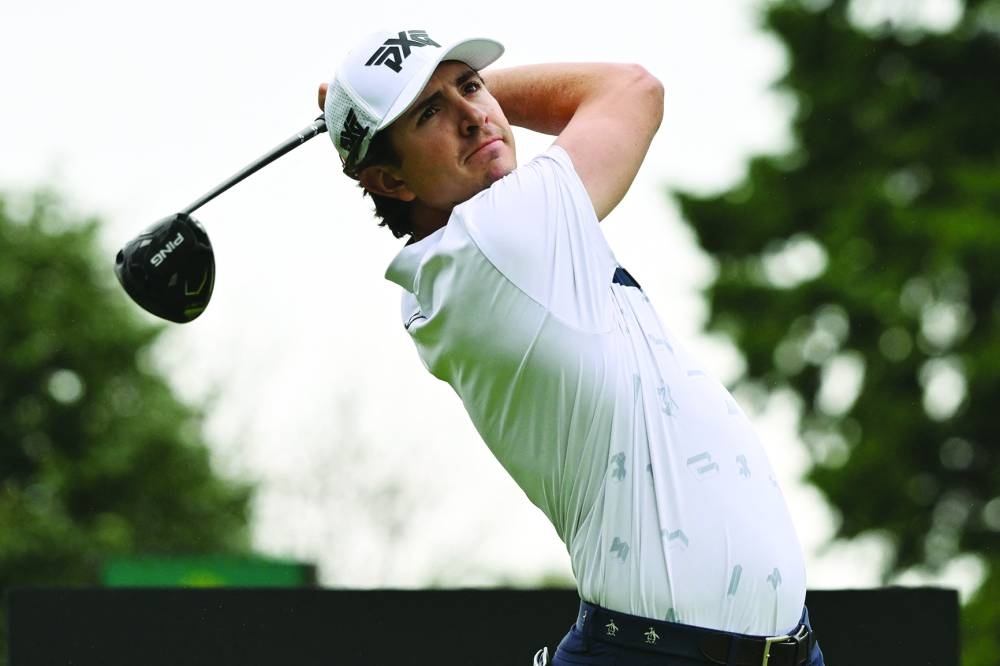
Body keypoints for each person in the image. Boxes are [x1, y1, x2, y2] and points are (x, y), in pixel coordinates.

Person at [318, 28, 825, 666]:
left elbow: (456, 134)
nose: (475, 117)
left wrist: (384, 109)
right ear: (390, 181)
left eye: (471, 86)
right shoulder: (497, 238)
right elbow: (631, 88)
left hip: (770, 649)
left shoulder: (478, 252)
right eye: (431, 114)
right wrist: (403, 102)